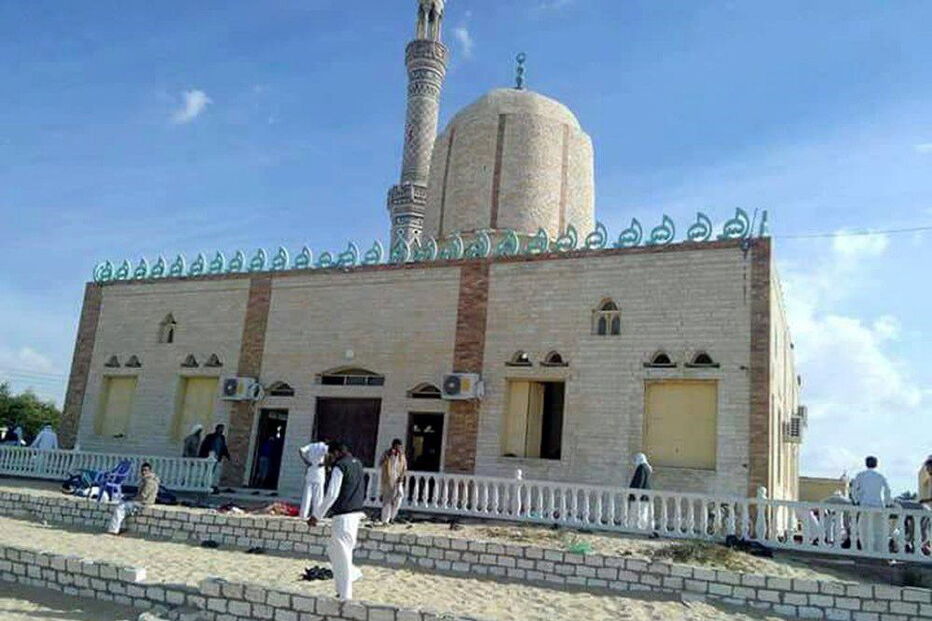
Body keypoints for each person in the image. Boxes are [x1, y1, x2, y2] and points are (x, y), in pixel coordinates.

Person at [309, 441, 365, 601]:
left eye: (331, 455)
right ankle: (343, 587)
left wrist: (317, 515)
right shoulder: (358, 464)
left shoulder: (340, 466)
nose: (330, 458)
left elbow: (332, 494)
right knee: (334, 550)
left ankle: (346, 593)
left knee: (343, 554)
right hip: (355, 514)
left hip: (343, 516)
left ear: (337, 453)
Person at [851, 456, 892, 552]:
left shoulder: (860, 475)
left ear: (866, 464)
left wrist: (856, 501)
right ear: (876, 464)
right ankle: (880, 550)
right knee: (879, 530)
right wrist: (887, 503)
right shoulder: (880, 475)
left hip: (865, 505)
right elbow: (887, 490)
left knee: (864, 529)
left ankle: (866, 549)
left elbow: (854, 490)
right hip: (879, 506)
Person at [107, 462, 160, 535]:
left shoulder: (149, 482)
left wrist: (131, 499)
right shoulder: (147, 480)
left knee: (120, 508)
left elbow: (142, 496)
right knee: (123, 504)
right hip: (141, 502)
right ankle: (121, 527)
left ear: (150, 471)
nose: (143, 472)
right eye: (142, 470)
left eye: (146, 470)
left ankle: (113, 530)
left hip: (143, 503)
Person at [298, 438, 329, 520]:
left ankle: (303, 514)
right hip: (319, 472)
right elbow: (328, 454)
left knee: (307, 495)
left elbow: (301, 450)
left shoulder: (311, 446)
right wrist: (325, 463)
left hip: (311, 470)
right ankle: (316, 515)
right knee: (318, 496)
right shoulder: (324, 446)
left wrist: (306, 461)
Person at [378, 438, 407, 524]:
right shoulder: (387, 453)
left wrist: (402, 476)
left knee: (399, 497)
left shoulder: (402, 455)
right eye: (398, 446)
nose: (399, 448)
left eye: (400, 447)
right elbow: (380, 463)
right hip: (388, 479)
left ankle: (392, 517)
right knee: (387, 500)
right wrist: (388, 456)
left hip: (398, 480)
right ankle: (385, 520)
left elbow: (404, 467)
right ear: (394, 446)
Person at [199, 424, 231, 489]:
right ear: (217, 429)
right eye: (220, 429)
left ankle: (210, 483)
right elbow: (204, 446)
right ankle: (203, 483)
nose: (221, 430)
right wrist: (201, 455)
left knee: (213, 471)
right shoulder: (210, 437)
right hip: (209, 456)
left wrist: (227, 455)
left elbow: (223, 447)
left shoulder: (222, 438)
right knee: (206, 470)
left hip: (217, 457)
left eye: (222, 429)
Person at [628, 452, 653, 530]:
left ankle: (635, 528)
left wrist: (634, 493)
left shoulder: (641, 467)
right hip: (645, 496)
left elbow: (639, 481)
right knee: (643, 512)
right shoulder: (647, 468)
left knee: (636, 512)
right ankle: (642, 527)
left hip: (639, 496)